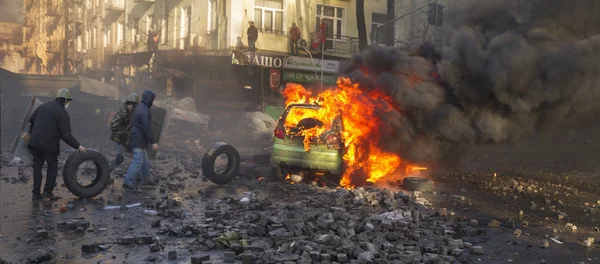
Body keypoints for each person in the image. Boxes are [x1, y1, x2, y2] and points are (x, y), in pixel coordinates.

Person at [25, 88, 87, 200]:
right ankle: (47, 192)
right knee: (52, 166)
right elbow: (66, 135)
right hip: (49, 144)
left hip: (35, 142)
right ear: (66, 100)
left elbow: (31, 119)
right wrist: (78, 146)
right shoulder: (62, 113)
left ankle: (36, 194)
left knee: (37, 167)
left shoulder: (43, 106)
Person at [123, 90, 159, 190]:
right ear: (150, 99)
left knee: (145, 162)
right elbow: (146, 127)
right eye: (152, 99)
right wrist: (153, 142)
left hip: (138, 138)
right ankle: (127, 182)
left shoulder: (140, 107)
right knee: (138, 161)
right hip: (138, 139)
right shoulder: (144, 110)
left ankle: (146, 179)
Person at [109, 93, 140, 172]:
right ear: (129, 104)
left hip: (123, 138)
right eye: (132, 106)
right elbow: (113, 125)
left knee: (136, 156)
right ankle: (107, 171)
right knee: (119, 158)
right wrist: (122, 132)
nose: (132, 108)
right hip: (119, 138)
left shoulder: (129, 112)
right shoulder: (123, 112)